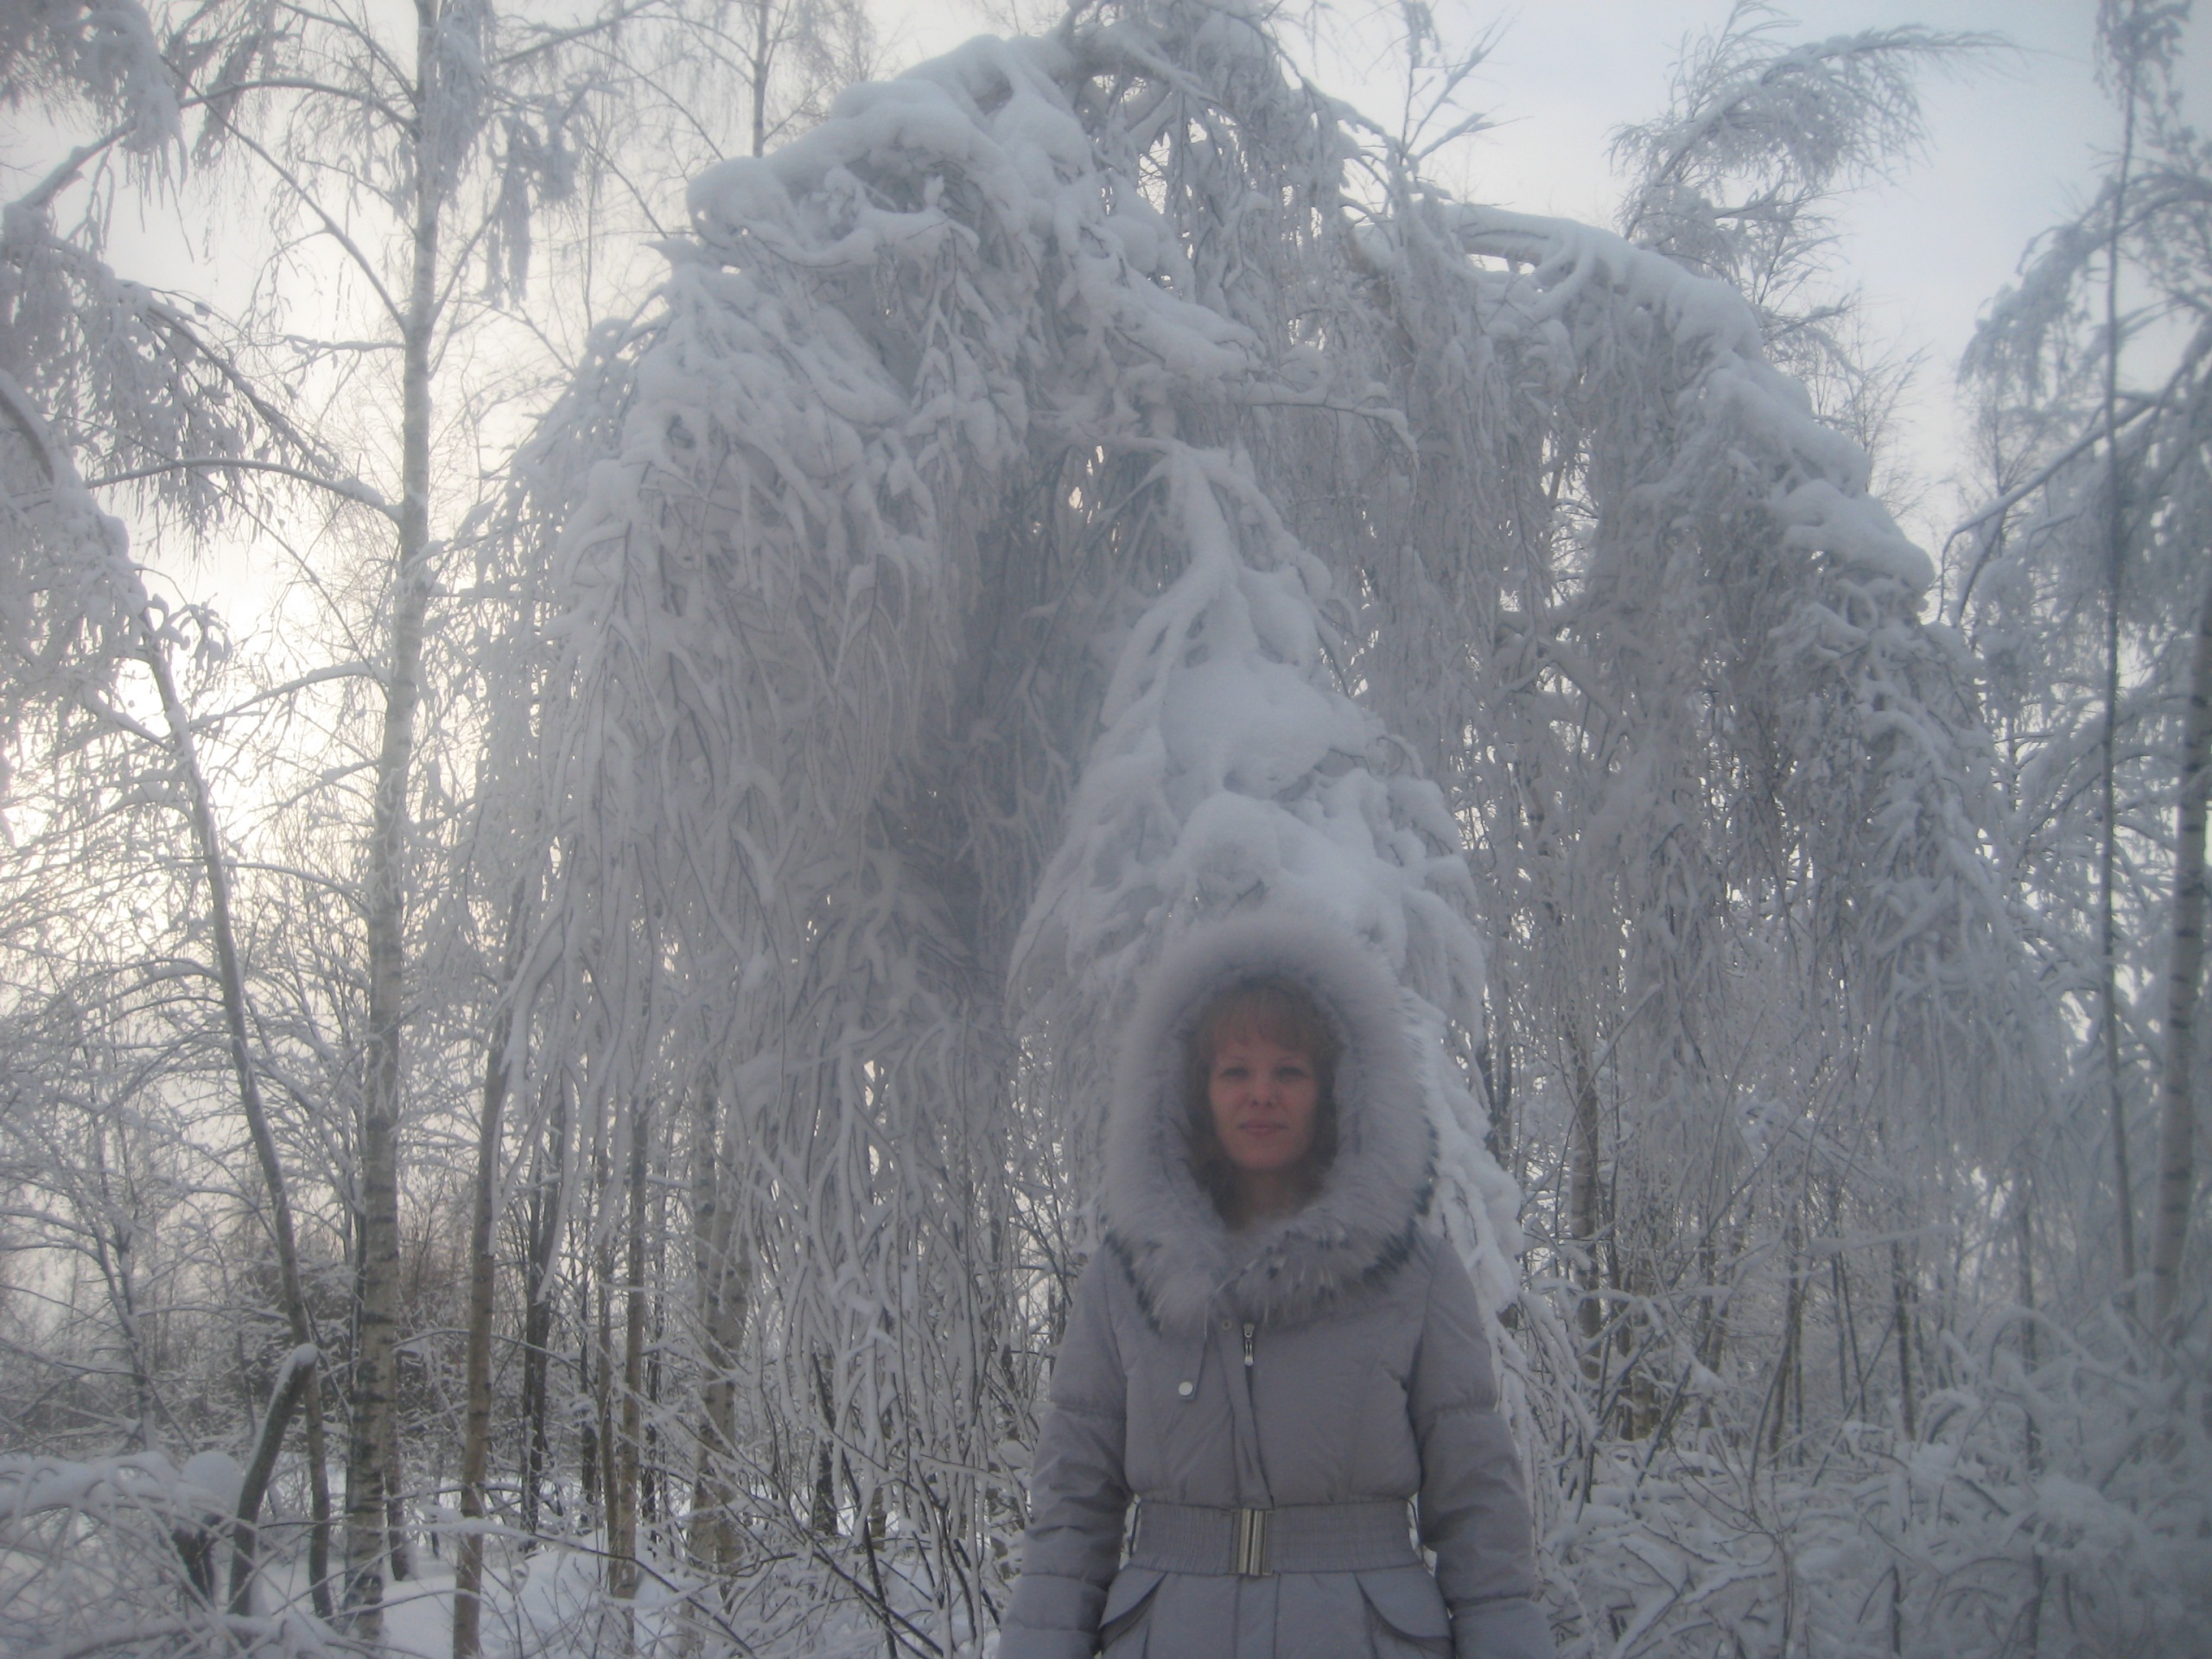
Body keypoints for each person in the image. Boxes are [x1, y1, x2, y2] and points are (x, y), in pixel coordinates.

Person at [999, 913, 1554, 1659]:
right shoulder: (1125, 1278)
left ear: (1337, 1089)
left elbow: (1480, 1507)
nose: (1261, 1094)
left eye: (1289, 1071)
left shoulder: (1414, 1275)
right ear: (1192, 1090)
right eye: (1235, 1071)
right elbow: (1072, 1506)